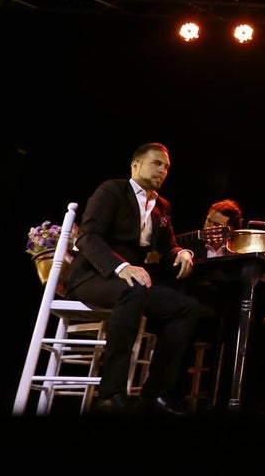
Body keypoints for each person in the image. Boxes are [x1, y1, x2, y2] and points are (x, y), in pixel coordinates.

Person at [65, 142, 202, 416]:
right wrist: (122, 267)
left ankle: (156, 395)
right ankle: (110, 393)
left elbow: (167, 247)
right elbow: (88, 237)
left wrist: (183, 252)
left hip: (130, 283)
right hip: (93, 275)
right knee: (135, 290)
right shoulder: (112, 190)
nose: (162, 170)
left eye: (166, 167)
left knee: (187, 308)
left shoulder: (162, 206)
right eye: (156, 163)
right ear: (135, 164)